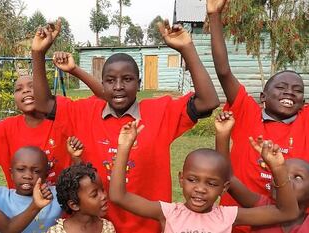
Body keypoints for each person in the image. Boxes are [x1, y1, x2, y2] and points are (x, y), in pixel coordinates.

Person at [31, 18, 219, 232]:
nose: (118, 87)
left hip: (148, 227)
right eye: (110, 80)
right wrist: (38, 54)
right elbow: (43, 103)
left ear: (139, 84)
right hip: (98, 227)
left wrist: (187, 48)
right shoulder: (84, 112)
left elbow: (208, 102)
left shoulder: (160, 111)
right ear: (102, 84)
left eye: (127, 79)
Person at [208, 0, 309, 231]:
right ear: (263, 96)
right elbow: (224, 72)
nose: (289, 93)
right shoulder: (246, 112)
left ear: (303, 103)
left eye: (297, 91)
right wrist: (214, 16)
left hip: (292, 224)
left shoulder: (306, 121)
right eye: (281, 87)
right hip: (240, 218)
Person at [109, 121, 299, 233]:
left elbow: (287, 212)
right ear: (181, 179)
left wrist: (278, 167)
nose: (200, 188)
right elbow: (119, 196)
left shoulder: (228, 216)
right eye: (192, 180)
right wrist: (124, 146)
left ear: (224, 188)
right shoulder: (168, 213)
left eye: (211, 183)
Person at [0, 55, 104, 188]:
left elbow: (104, 98)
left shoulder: (64, 117)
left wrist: (74, 69)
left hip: (61, 205)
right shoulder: (5, 129)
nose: (26, 90)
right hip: (23, 207)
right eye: (19, 89)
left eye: (32, 86)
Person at [215, 111, 309, 233]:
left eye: (298, 177)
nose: (285, 178)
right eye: (281, 172)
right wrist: (223, 135)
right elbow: (227, 178)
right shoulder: (262, 206)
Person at [47, 163, 116, 233]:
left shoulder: (107, 227)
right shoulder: (57, 231)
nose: (104, 196)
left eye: (103, 190)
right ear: (74, 205)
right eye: (94, 195)